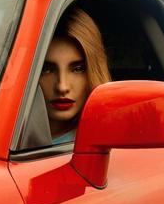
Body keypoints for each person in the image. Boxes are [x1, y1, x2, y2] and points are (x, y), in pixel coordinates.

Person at [39, 8, 111, 145]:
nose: (62, 86)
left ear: (95, 72)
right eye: (46, 70)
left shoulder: (106, 146)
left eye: (78, 69)